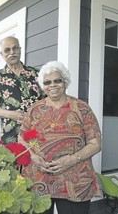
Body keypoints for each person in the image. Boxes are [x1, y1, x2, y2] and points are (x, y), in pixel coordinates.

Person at [18, 61, 102, 214]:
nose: (53, 85)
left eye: (57, 80)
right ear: (43, 86)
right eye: (47, 82)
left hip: (75, 180)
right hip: (38, 178)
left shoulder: (81, 108)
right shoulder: (34, 109)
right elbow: (21, 138)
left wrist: (71, 159)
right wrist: (32, 156)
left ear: (65, 82)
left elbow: (95, 143)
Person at [0, 36, 45, 144]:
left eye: (15, 48)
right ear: (2, 54)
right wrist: (12, 114)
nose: (12, 52)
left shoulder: (37, 74)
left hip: (37, 133)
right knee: (13, 160)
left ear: (20, 50)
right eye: (7, 50)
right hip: (11, 135)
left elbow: (47, 101)